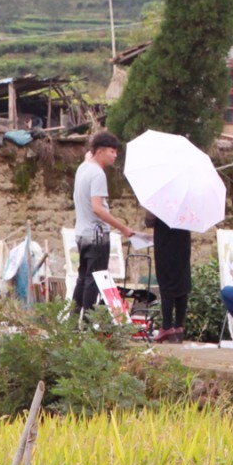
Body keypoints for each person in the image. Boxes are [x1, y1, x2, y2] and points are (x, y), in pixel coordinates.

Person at [72, 130, 136, 325]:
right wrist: (123, 228)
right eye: (111, 151)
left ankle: (73, 321)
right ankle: (88, 323)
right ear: (99, 152)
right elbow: (98, 208)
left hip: (82, 234)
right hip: (97, 234)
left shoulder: (83, 167)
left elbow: (87, 156)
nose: (115, 155)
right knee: (95, 279)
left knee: (83, 278)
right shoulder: (98, 174)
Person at [150, 211, 193, 342]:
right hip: (183, 237)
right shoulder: (188, 198)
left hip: (165, 239)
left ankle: (167, 326)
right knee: (182, 279)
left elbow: (149, 220)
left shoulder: (160, 198)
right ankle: (179, 326)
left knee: (166, 280)